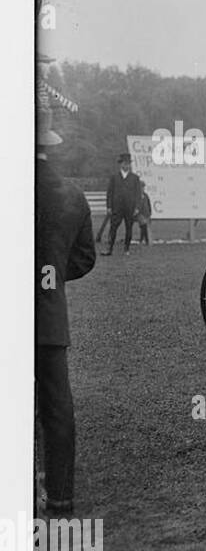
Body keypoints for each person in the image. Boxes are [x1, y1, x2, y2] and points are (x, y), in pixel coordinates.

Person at [35, 112, 96, 514]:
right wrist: (51, 276)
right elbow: (85, 259)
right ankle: (60, 495)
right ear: (52, 145)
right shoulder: (72, 195)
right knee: (58, 406)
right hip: (49, 316)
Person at [103, 152, 142, 255]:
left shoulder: (135, 178)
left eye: (128, 163)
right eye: (125, 163)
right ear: (120, 164)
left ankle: (126, 249)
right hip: (117, 207)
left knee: (129, 227)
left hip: (130, 207)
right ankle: (109, 248)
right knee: (113, 227)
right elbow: (109, 192)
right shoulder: (114, 177)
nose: (126, 165)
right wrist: (109, 206)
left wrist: (137, 207)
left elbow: (138, 193)